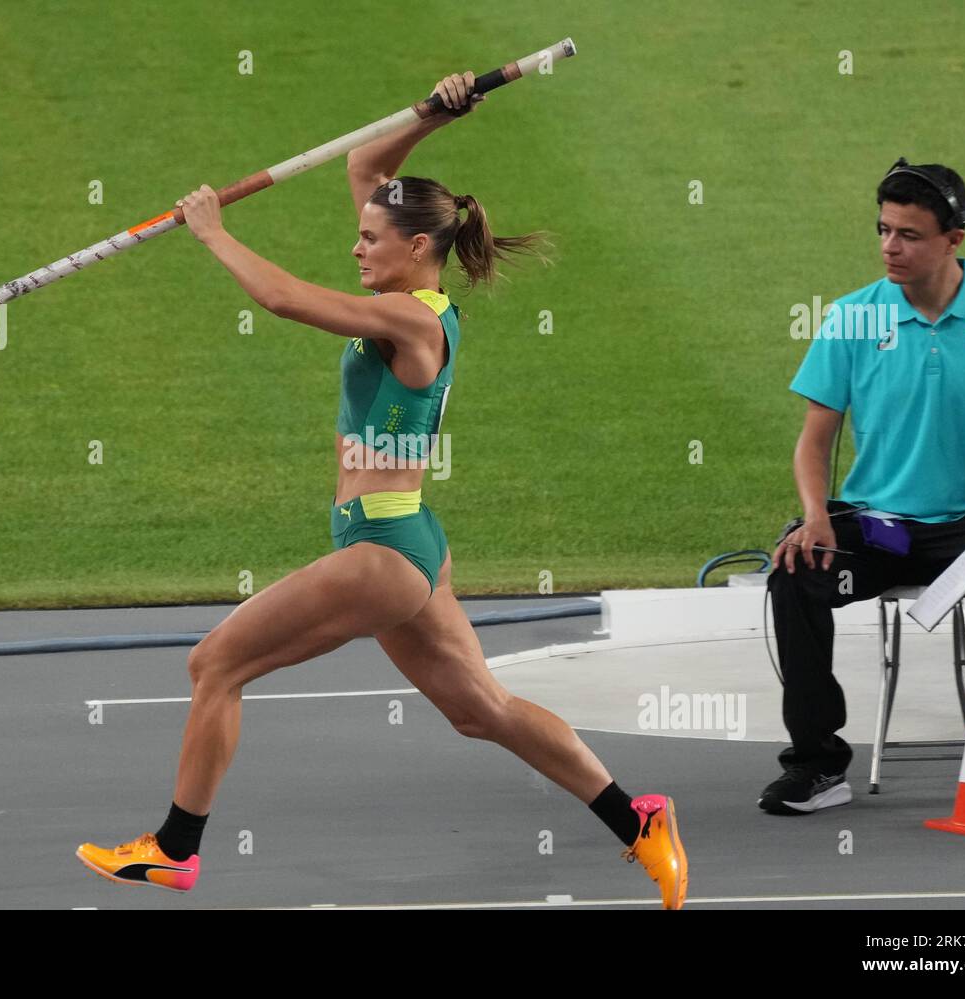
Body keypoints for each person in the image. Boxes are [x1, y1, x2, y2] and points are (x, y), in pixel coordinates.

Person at [76, 72, 688, 907]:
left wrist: (211, 231)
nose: (358, 246)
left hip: (383, 552)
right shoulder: (411, 291)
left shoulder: (412, 319)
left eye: (373, 239)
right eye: (360, 234)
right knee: (482, 710)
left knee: (214, 662)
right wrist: (435, 114)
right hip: (407, 540)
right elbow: (366, 167)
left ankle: (175, 847)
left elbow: (284, 299)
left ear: (417, 249)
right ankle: (637, 819)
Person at [763, 157, 965, 815]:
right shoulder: (853, 317)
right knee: (794, 578)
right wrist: (814, 516)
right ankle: (816, 764)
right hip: (878, 528)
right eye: (883, 230)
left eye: (909, 234)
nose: (891, 246)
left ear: (955, 239)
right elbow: (815, 440)